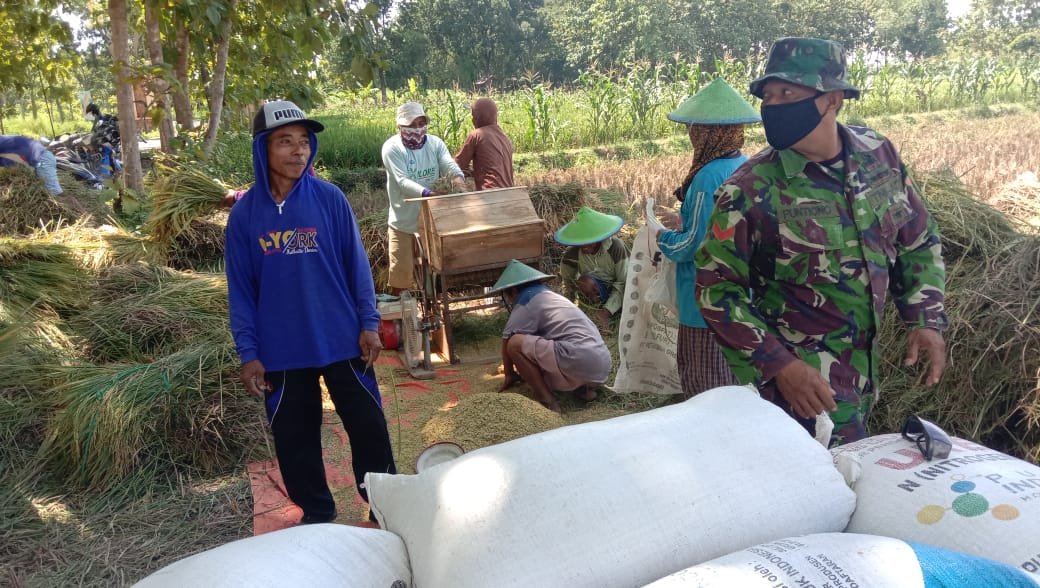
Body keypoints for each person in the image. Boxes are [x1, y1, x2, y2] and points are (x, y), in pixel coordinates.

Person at [694, 37, 948, 446]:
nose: (773, 105)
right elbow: (717, 290)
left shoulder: (878, 155)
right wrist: (780, 366)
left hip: (864, 371)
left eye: (788, 93)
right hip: (797, 392)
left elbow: (917, 239)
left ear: (832, 100)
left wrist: (926, 318)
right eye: (768, 96)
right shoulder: (749, 189)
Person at [224, 99, 397, 525]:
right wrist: (249, 353)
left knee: (369, 428)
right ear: (262, 148)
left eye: (304, 141)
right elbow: (241, 291)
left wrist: (369, 323)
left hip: (342, 339)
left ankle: (384, 508)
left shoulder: (329, 199)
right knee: (295, 440)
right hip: (281, 351)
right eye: (285, 142)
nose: (298, 151)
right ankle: (318, 517)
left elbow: (357, 266)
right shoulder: (245, 217)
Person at [653, 78, 760, 399]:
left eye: (695, 129)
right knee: (733, 388)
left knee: (705, 391)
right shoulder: (745, 164)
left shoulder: (707, 175)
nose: (691, 135)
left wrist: (661, 236)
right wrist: (685, 218)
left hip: (704, 305)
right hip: (741, 299)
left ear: (708, 134)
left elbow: (694, 245)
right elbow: (722, 225)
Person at [494, 259, 612, 412]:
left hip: (579, 359)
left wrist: (509, 374)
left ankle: (547, 401)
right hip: (601, 364)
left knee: (515, 344)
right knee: (545, 346)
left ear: (514, 291)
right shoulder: (551, 296)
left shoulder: (526, 299)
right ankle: (583, 390)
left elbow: (507, 341)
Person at [382, 101, 466, 294]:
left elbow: (448, 164)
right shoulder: (392, 148)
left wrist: (458, 179)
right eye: (412, 125)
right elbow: (402, 181)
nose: (418, 129)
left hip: (432, 220)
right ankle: (400, 315)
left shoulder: (435, 143)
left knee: (434, 269)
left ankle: (431, 308)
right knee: (400, 274)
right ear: (401, 126)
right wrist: (428, 194)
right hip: (403, 221)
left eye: (421, 123)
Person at [556, 206, 629, 329]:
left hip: (623, 289)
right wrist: (568, 311)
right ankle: (593, 311)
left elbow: (623, 282)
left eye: (588, 240)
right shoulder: (571, 253)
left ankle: (608, 312)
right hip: (595, 290)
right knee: (585, 283)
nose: (584, 246)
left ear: (599, 237)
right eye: (580, 241)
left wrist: (606, 312)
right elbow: (568, 283)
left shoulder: (616, 247)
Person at [0, 134, 86, 213]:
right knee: (39, 194)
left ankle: (86, 217)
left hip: (40, 158)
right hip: (36, 158)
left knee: (55, 193)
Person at [454, 97, 514, 190]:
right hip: (509, 194)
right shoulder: (505, 138)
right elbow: (492, 168)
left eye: (473, 116)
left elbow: (457, 165)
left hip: (489, 194)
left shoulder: (476, 135)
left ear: (478, 117)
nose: (472, 120)